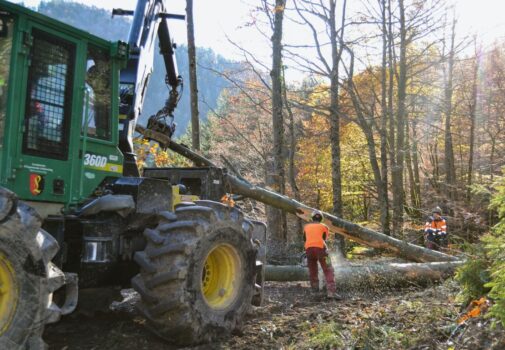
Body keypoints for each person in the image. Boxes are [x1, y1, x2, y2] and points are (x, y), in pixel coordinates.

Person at [303, 210, 341, 300]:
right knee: (328, 269)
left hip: (309, 250)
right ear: (321, 218)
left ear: (312, 218)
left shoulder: (306, 227)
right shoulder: (324, 227)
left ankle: (315, 291)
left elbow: (304, 239)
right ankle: (331, 291)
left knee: (313, 271)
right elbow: (324, 238)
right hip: (322, 250)